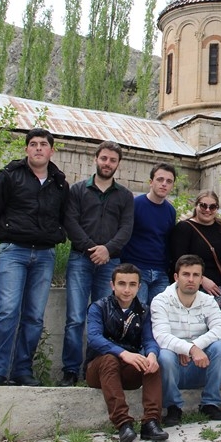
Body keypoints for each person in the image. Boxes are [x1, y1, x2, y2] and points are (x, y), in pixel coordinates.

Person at [0, 128, 69, 386]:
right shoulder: (8, 175)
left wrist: (56, 234)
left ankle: (22, 371)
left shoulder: (60, 183)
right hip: (13, 252)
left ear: (51, 150)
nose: (38, 148)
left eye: (43, 144)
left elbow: (64, 216)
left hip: (45, 255)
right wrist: (6, 234)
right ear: (26, 149)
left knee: (34, 315)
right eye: (33, 144)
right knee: (7, 310)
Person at [60, 141, 135, 387]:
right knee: (75, 317)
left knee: (106, 319)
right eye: (104, 158)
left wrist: (107, 250)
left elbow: (126, 228)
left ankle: (94, 369)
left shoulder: (125, 195)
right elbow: (70, 222)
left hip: (111, 263)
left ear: (118, 164)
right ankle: (70, 370)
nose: (107, 163)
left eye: (112, 160)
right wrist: (92, 248)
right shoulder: (78, 190)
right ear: (96, 159)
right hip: (80, 259)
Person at [85, 263, 168, 442]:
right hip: (98, 370)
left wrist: (152, 354)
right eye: (122, 284)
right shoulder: (98, 307)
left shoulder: (143, 311)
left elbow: (149, 339)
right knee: (109, 359)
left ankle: (151, 422)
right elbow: (94, 338)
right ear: (112, 285)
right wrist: (123, 353)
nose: (127, 290)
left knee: (151, 363)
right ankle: (123, 424)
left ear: (139, 287)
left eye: (132, 284)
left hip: (127, 371)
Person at [151, 254, 221, 425]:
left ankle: (210, 403)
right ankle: (173, 407)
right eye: (186, 274)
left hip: (199, 365)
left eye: (196, 275)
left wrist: (194, 346)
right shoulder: (160, 301)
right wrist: (189, 349)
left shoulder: (208, 301)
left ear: (201, 279)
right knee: (164, 354)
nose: (191, 279)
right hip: (172, 367)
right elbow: (161, 336)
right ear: (176, 277)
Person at [121, 163, 177, 307]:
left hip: (160, 272)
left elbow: (168, 241)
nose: (164, 184)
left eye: (169, 181)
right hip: (136, 269)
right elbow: (124, 234)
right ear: (151, 182)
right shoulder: (135, 204)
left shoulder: (170, 211)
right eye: (160, 179)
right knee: (137, 313)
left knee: (162, 312)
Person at [170, 191, 221, 316]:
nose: (207, 210)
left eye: (212, 207)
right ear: (196, 206)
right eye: (203, 206)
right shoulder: (184, 228)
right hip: (194, 288)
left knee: (220, 323)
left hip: (220, 289)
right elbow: (179, 261)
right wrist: (201, 279)